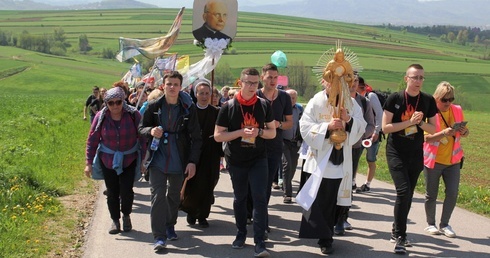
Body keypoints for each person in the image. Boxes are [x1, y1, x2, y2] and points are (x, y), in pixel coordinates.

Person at [298, 79, 366, 255]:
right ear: (324, 81)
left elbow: (362, 124)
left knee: (336, 203)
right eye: (331, 81)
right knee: (321, 203)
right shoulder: (316, 102)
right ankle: (325, 238)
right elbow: (304, 127)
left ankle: (329, 231)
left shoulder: (350, 103)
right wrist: (327, 127)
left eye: (340, 81)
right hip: (321, 161)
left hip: (341, 160)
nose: (335, 85)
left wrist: (348, 119)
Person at [214, 68, 276, 258]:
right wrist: (240, 133)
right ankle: (240, 234)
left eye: (255, 83)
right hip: (236, 159)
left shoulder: (264, 105)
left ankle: (259, 242)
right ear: (240, 83)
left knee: (259, 198)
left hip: (258, 158)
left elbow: (272, 132)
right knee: (240, 198)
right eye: (248, 82)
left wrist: (259, 133)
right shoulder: (229, 106)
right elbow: (218, 136)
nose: (251, 86)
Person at [138, 71, 202, 252]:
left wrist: (192, 162)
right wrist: (150, 131)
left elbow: (197, 137)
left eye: (175, 84)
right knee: (157, 196)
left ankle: (169, 225)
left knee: (174, 196)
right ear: (163, 86)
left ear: (181, 87)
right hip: (157, 159)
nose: (172, 87)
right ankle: (159, 236)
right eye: (169, 84)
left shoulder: (188, 108)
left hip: (178, 158)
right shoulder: (153, 107)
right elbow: (141, 128)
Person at [382, 64, 437, 254]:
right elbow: (385, 128)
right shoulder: (395, 99)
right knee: (403, 192)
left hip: (415, 153)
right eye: (414, 77)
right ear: (406, 78)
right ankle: (401, 236)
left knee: (409, 195)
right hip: (396, 151)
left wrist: (420, 122)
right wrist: (409, 122)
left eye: (421, 78)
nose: (418, 81)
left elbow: (433, 129)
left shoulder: (428, 100)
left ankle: (396, 229)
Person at [84, 86, 146, 235]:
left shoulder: (133, 115)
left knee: (126, 191)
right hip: (107, 159)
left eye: (118, 102)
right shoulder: (101, 117)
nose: (115, 106)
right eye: (111, 103)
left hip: (129, 158)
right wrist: (88, 163)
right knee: (112, 192)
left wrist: (144, 160)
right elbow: (92, 140)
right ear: (106, 103)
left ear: (123, 101)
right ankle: (115, 220)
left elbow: (143, 138)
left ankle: (126, 215)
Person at [423, 81, 469, 238]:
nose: (448, 103)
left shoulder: (457, 110)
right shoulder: (429, 112)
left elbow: (463, 133)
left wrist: (464, 131)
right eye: (444, 100)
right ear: (437, 98)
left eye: (451, 99)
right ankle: (430, 224)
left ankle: (445, 224)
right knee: (431, 194)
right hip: (434, 161)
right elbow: (427, 138)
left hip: (453, 160)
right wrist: (444, 133)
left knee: (452, 193)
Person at [334, 74, 375, 235]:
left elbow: (370, 124)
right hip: (334, 146)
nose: (353, 84)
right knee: (333, 181)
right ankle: (331, 215)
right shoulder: (335, 98)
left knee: (348, 182)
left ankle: (343, 217)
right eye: (350, 81)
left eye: (356, 81)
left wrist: (357, 135)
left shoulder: (364, 102)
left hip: (354, 147)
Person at [180, 78, 222, 228]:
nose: (204, 96)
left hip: (211, 153)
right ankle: (192, 212)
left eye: (207, 93)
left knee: (208, 183)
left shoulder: (217, 112)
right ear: (195, 94)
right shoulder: (189, 111)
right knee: (193, 183)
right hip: (194, 153)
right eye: (201, 93)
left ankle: (203, 215)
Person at [256, 63, 293, 231]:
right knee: (254, 184)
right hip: (254, 145)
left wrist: (278, 125)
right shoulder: (255, 95)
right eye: (269, 77)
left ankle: (262, 220)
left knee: (266, 184)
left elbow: (289, 123)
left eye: (275, 77)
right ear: (263, 77)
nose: (272, 80)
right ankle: (254, 213)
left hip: (274, 146)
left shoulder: (284, 97)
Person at [355, 76, 384, 193]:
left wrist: (376, 132)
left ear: (360, 86)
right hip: (360, 133)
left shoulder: (371, 96)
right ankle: (352, 182)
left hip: (372, 134)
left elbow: (380, 115)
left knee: (370, 159)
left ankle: (367, 184)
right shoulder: (356, 97)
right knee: (355, 158)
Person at [281, 89, 303, 204]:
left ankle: (285, 183)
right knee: (287, 165)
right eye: (289, 97)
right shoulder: (282, 109)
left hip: (296, 142)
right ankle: (287, 194)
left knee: (293, 166)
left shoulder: (300, 109)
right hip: (284, 141)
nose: (291, 100)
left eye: (293, 97)